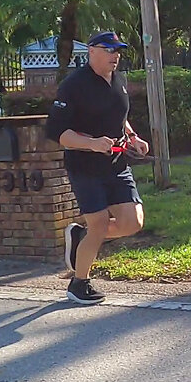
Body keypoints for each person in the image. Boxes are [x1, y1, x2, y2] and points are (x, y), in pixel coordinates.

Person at [44, 31, 150, 305]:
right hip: (85, 166)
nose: (115, 55)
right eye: (108, 49)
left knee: (132, 223)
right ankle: (79, 283)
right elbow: (57, 132)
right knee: (100, 224)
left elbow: (119, 117)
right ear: (91, 51)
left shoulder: (119, 80)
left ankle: (81, 236)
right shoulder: (74, 85)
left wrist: (134, 137)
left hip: (116, 164)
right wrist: (91, 144)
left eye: (118, 50)